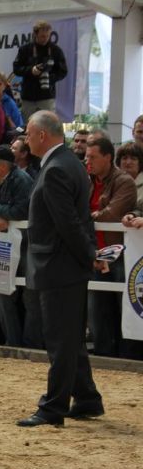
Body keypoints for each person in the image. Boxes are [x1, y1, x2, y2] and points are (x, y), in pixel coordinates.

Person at [17, 110, 103, 427]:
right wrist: (89, 255)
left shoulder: (56, 169)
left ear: (42, 135)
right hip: (65, 265)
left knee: (60, 340)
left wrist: (89, 254)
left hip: (58, 265)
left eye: (28, 133)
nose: (26, 140)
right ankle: (88, 398)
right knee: (70, 339)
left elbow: (67, 223)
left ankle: (53, 408)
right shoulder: (68, 163)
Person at [85, 137, 137, 357]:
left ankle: (126, 359)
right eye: (87, 156)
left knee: (123, 309)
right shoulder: (88, 181)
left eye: (93, 157)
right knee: (97, 312)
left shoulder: (124, 181)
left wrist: (91, 216)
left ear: (107, 157)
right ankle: (104, 357)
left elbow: (113, 213)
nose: (88, 161)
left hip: (119, 255)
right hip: (95, 253)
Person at [0, 145, 33, 347]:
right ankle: (12, 342)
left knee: (29, 297)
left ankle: (30, 345)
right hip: (4, 245)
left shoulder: (21, 180)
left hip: (25, 245)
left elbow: (23, 210)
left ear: (2, 166)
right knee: (2, 292)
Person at [13, 20, 68, 123]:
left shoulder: (56, 50)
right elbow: (16, 69)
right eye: (42, 36)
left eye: (48, 36)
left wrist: (50, 77)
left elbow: (63, 71)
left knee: (48, 124)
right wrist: (31, 70)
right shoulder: (25, 50)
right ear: (35, 34)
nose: (45, 39)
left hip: (47, 96)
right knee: (28, 124)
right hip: (28, 97)